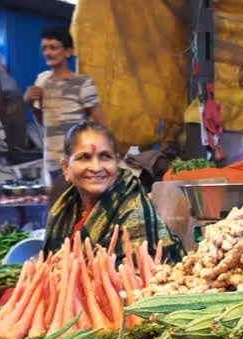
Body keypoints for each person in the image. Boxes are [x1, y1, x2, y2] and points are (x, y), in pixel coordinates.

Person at [43, 121, 186, 263]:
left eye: (105, 156)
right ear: (65, 168)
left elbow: (134, 280)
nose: (96, 167)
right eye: (84, 157)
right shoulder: (65, 208)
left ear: (117, 163)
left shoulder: (134, 215)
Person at [25, 26, 107, 185]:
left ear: (68, 52)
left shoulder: (82, 83)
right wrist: (30, 103)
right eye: (44, 48)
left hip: (77, 162)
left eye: (53, 47)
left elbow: (100, 124)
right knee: (59, 207)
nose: (48, 53)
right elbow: (44, 123)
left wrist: (101, 158)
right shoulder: (42, 81)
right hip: (52, 163)